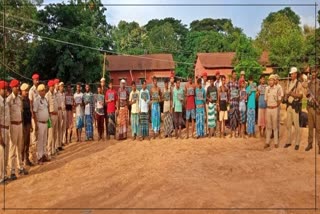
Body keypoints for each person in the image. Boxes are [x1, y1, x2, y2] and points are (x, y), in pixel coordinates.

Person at [7, 79, 28, 179]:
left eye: (18, 86)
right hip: (13, 125)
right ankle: (11, 171)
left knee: (20, 147)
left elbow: (21, 112)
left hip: (19, 125)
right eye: (16, 87)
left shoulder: (19, 99)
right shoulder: (9, 100)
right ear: (12, 88)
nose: (18, 88)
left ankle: (20, 167)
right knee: (12, 148)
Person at [284, 67, 303, 150]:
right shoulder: (289, 83)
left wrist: (291, 93)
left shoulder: (299, 83)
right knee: (288, 125)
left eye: (292, 73)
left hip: (295, 106)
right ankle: (288, 141)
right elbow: (286, 93)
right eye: (290, 74)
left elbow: (300, 95)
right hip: (289, 106)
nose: (291, 75)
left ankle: (297, 143)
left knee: (296, 125)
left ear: (295, 74)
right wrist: (286, 96)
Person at [33, 84, 50, 164]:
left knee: (44, 140)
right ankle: (39, 157)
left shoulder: (45, 100)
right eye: (42, 90)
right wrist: (36, 124)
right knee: (40, 141)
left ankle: (44, 155)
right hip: (40, 123)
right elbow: (34, 112)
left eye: (44, 90)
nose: (44, 92)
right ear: (39, 91)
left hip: (46, 122)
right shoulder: (36, 100)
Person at [264, 75, 282, 149]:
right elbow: (265, 99)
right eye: (269, 80)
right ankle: (267, 142)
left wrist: (275, 106)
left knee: (275, 126)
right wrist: (269, 105)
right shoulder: (267, 89)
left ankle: (276, 143)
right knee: (268, 126)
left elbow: (280, 99)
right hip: (268, 109)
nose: (270, 81)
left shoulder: (277, 89)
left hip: (275, 109)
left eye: (272, 80)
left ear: (274, 81)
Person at [305, 69, 320, 153]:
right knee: (310, 127)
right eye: (312, 72)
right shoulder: (309, 83)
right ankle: (310, 144)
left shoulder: (319, 82)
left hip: (317, 108)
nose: (313, 74)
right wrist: (308, 94)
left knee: (318, 128)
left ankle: (319, 146)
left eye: (314, 72)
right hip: (310, 107)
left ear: (317, 73)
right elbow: (306, 94)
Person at [21, 83, 33, 166]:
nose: (27, 92)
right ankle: (22, 160)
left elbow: (30, 112)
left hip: (28, 123)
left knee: (28, 142)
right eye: (25, 90)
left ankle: (27, 158)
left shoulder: (28, 100)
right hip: (23, 124)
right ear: (22, 91)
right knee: (23, 143)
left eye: (27, 90)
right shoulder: (20, 100)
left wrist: (31, 125)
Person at [46, 80, 59, 159]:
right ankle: (49, 152)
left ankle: (54, 149)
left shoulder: (54, 94)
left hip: (56, 115)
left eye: (53, 86)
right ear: (49, 87)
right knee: (50, 135)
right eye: (51, 86)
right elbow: (47, 107)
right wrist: (48, 118)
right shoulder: (47, 95)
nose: (53, 87)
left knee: (55, 134)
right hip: (50, 116)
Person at [0, 81, 10, 184]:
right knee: (1, 154)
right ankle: (1, 177)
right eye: (4, 89)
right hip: (1, 129)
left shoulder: (5, 101)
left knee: (6, 153)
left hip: (7, 128)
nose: (6, 90)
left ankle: (4, 175)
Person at [29, 73, 40, 156]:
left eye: (38, 79)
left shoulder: (38, 90)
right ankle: (33, 155)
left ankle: (38, 154)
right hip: (34, 114)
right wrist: (32, 114)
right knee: (34, 135)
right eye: (36, 80)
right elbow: (30, 103)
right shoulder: (31, 90)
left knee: (38, 133)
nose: (37, 81)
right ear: (33, 80)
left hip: (39, 113)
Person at [228, 70, 240, 138]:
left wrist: (238, 95)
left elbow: (239, 92)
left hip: (236, 103)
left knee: (236, 118)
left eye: (236, 74)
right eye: (234, 74)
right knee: (231, 118)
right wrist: (229, 94)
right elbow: (227, 92)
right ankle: (231, 133)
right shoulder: (229, 83)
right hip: (231, 102)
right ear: (232, 75)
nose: (235, 75)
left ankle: (235, 133)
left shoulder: (237, 83)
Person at [274, 74, 284, 138]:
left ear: (278, 80)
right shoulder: (272, 86)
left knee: (277, 119)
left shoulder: (279, 87)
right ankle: (272, 133)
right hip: (272, 104)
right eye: (274, 79)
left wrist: (279, 103)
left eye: (276, 79)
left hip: (277, 105)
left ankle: (276, 133)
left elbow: (282, 96)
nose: (275, 81)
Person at [57, 82, 66, 150]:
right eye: (61, 86)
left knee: (64, 126)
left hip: (64, 110)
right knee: (59, 127)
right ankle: (58, 143)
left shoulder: (64, 94)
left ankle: (62, 141)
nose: (62, 87)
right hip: (59, 111)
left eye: (63, 86)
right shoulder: (57, 94)